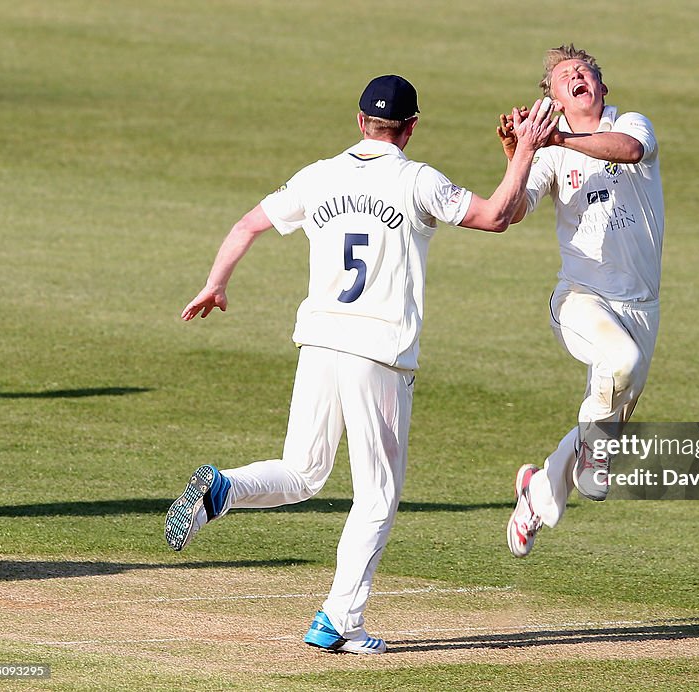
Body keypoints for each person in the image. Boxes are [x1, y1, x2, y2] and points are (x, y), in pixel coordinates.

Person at [165, 75, 557, 654]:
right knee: (376, 497)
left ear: (360, 122)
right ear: (412, 127)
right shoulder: (417, 179)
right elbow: (497, 215)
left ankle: (223, 489)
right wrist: (525, 150)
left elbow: (247, 224)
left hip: (320, 341)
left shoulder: (319, 175)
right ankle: (339, 622)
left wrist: (214, 284)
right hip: (379, 352)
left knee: (302, 472)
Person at [497, 45, 665, 558]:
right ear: (551, 96)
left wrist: (560, 136)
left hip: (641, 307)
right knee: (620, 365)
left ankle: (537, 492)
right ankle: (595, 455)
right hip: (580, 301)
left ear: (601, 86)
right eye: (562, 77)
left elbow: (629, 151)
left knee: (610, 400)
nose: (575, 77)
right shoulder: (551, 153)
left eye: (583, 71)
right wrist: (521, 154)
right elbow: (517, 208)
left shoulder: (632, 124)